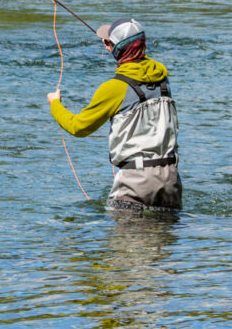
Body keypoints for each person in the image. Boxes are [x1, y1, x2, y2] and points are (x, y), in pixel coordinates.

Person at [47, 18, 181, 210]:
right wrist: (114, 45)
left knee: (124, 230)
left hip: (136, 181)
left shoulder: (114, 88)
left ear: (117, 48)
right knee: (164, 229)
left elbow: (78, 127)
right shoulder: (163, 79)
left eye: (108, 42)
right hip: (171, 178)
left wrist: (55, 104)